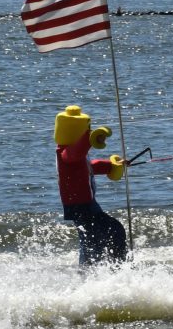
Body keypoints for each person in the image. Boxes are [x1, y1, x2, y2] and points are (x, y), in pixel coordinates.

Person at [54, 105, 128, 265]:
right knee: (112, 232)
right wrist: (90, 138)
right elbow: (75, 153)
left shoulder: (77, 157)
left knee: (93, 242)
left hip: (89, 204)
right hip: (80, 207)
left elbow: (90, 167)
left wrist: (111, 165)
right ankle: (119, 269)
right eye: (86, 128)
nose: (88, 130)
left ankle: (95, 272)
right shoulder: (65, 154)